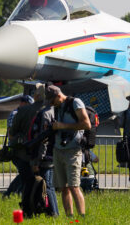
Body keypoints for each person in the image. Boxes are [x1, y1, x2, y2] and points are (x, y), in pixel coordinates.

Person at [46, 84, 91, 218]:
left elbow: (87, 124)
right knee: (63, 187)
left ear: (59, 96)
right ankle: (69, 217)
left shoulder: (75, 103)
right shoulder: (57, 107)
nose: (51, 104)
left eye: (52, 101)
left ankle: (82, 217)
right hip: (58, 149)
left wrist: (63, 126)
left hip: (73, 150)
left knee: (74, 186)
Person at [9, 83, 46, 216]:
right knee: (46, 185)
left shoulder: (23, 111)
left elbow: (12, 132)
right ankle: (46, 209)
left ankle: (27, 210)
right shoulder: (52, 110)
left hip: (24, 154)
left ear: (35, 96)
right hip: (46, 155)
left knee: (27, 183)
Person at [28, 94, 59, 216]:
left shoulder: (45, 113)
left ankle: (53, 213)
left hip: (45, 157)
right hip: (50, 155)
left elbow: (43, 139)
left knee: (48, 186)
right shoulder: (53, 112)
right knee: (47, 185)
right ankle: (49, 211)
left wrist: (38, 160)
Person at [3, 95, 34, 198]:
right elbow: (13, 132)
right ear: (23, 103)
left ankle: (17, 193)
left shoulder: (23, 113)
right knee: (24, 173)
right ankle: (10, 193)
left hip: (22, 149)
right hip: (16, 149)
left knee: (25, 173)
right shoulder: (15, 114)